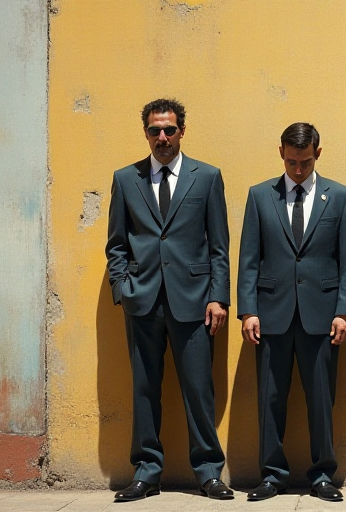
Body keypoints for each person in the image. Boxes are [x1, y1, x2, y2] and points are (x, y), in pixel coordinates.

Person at [105, 98, 233, 501]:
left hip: (194, 302)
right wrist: (122, 288)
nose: (163, 137)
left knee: (199, 389)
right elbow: (116, 244)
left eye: (170, 129)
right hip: (142, 302)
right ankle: (146, 471)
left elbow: (219, 246)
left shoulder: (207, 177)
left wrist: (219, 297)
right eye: (155, 130)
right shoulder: (126, 179)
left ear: (182, 131)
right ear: (146, 132)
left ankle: (209, 472)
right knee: (144, 388)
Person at [237, 123, 346, 502]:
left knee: (321, 399)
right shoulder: (260, 196)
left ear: (317, 154)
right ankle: (272, 475)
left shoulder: (339, 197)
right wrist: (247, 310)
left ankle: (322, 475)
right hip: (271, 314)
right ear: (281, 154)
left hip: (322, 317)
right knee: (270, 398)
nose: (298, 169)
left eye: (305, 162)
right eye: (291, 161)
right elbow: (249, 258)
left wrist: (345, 312)